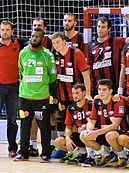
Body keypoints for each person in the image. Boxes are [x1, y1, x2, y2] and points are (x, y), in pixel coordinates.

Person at [13, 28, 57, 162]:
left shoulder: (47, 55)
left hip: (41, 98)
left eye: (37, 36)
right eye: (33, 36)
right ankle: (24, 152)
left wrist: (41, 85)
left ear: (42, 39)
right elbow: (21, 70)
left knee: (44, 127)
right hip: (25, 96)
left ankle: (45, 154)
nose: (34, 38)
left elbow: (52, 76)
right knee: (25, 125)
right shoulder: (23, 53)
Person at [51, 32, 91, 158]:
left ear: (64, 41)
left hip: (76, 96)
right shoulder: (53, 55)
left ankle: (80, 151)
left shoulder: (76, 53)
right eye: (53, 43)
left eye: (58, 42)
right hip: (61, 95)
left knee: (77, 123)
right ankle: (64, 150)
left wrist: (88, 93)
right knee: (60, 120)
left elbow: (85, 74)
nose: (56, 45)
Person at [80, 79, 126, 167]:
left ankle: (123, 157)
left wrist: (96, 132)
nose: (101, 92)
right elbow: (92, 120)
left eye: (104, 90)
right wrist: (90, 130)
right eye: (99, 89)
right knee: (84, 134)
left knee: (110, 135)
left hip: (117, 132)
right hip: (102, 132)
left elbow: (115, 125)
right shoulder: (96, 102)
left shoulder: (117, 102)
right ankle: (106, 155)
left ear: (111, 91)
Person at [29, 17, 55, 157]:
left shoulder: (52, 41)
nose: (36, 27)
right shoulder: (28, 44)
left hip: (50, 84)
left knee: (51, 115)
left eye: (39, 25)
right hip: (33, 88)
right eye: (34, 25)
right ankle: (32, 144)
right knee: (32, 116)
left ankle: (51, 144)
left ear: (44, 28)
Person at [0, 20, 24, 158]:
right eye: (2, 30)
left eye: (7, 29)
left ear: (12, 31)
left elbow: (35, 41)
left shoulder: (18, 44)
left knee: (12, 119)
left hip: (14, 86)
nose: (5, 32)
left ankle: (12, 148)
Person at [88, 16, 129, 96]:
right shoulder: (91, 45)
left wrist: (128, 19)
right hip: (97, 88)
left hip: (113, 87)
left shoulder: (115, 41)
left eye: (103, 27)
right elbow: (89, 68)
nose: (100, 29)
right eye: (98, 26)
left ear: (109, 29)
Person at [53, 83, 91, 164]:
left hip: (92, 136)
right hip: (79, 136)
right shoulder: (71, 108)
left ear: (84, 93)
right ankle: (81, 152)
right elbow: (68, 126)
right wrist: (67, 138)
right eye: (73, 93)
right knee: (58, 142)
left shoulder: (91, 104)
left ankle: (91, 155)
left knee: (84, 127)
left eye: (77, 93)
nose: (74, 96)